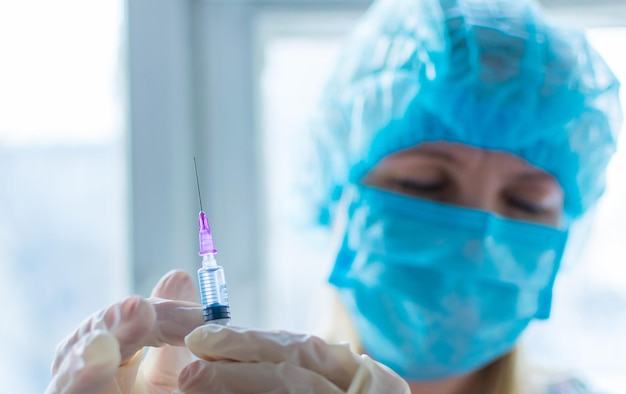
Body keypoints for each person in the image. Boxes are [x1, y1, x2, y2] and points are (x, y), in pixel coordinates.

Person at [46, 0, 621, 393]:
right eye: (424, 184)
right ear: (335, 196)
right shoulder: (247, 381)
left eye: (525, 204)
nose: (474, 235)